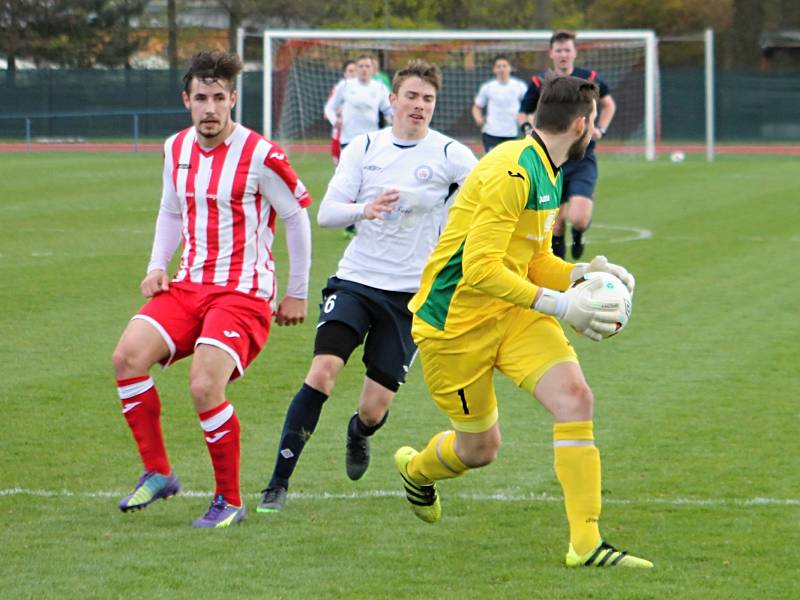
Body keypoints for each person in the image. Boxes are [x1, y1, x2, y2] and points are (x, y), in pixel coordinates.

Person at [396, 75, 653, 568]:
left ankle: (586, 543)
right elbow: (481, 269)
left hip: (513, 311)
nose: (594, 132)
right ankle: (418, 470)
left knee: (576, 398)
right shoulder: (510, 172)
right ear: (581, 124)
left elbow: (532, 260)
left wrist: (582, 272)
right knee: (479, 450)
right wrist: (563, 305)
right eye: (594, 124)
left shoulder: (546, 166)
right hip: (455, 326)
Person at [258, 59, 478, 513]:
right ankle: (277, 483)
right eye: (411, 97)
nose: (419, 106)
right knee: (322, 373)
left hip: (409, 297)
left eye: (428, 99)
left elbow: (484, 198)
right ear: (391, 100)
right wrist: (366, 209)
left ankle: (358, 432)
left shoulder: (450, 155)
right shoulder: (365, 147)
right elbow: (326, 213)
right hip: (356, 280)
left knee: (375, 409)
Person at [112, 50, 312, 528]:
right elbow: (171, 210)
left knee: (204, 385)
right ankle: (158, 472)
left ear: (232, 100)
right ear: (187, 100)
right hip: (188, 284)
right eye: (200, 97)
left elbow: (296, 216)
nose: (209, 108)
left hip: (242, 293)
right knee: (127, 359)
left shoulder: (261, 155)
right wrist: (157, 265)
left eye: (218, 98)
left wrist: (297, 291)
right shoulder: (175, 148)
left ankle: (229, 501)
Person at [519, 30, 617, 260]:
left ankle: (579, 234)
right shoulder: (539, 82)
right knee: (556, 224)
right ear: (551, 53)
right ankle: (561, 278)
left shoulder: (589, 77)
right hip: (553, 160)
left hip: (582, 158)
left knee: (579, 218)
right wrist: (527, 130)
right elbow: (523, 114)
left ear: (575, 52)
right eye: (559, 50)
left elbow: (609, 105)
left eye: (567, 49)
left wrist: (600, 129)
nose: (563, 54)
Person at [324, 54, 393, 239]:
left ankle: (371, 219)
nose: (363, 69)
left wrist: (395, 120)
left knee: (372, 180)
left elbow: (389, 110)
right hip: (348, 141)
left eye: (367, 66)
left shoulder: (379, 88)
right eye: (360, 65)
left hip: (372, 142)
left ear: (373, 69)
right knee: (349, 182)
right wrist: (335, 120)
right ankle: (348, 223)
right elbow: (329, 108)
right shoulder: (345, 86)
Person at [471, 55, 529, 153]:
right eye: (498, 66)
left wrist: (528, 123)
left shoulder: (520, 86)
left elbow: (529, 106)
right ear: (494, 70)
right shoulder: (488, 87)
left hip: (513, 134)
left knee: (511, 165)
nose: (502, 69)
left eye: (504, 66)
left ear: (510, 68)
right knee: (492, 164)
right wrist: (478, 118)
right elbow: (477, 106)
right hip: (491, 133)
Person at [327, 59, 357, 166]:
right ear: (344, 73)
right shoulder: (339, 89)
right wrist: (337, 118)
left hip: (360, 133)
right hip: (341, 134)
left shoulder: (368, 89)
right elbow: (327, 111)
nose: (354, 74)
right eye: (350, 71)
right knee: (340, 168)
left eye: (355, 70)